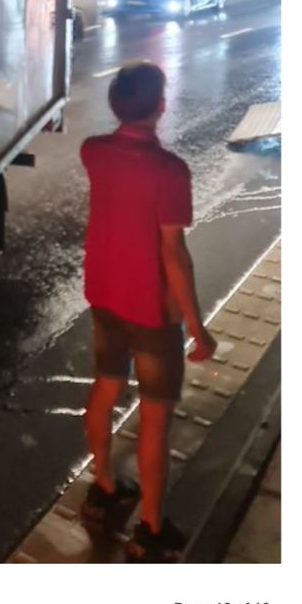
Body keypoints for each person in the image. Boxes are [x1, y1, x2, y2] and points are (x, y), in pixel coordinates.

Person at [79, 60, 217, 561]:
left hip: (104, 296)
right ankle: (151, 528)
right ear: (160, 106)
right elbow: (173, 254)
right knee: (155, 419)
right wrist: (197, 326)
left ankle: (104, 485)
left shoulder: (93, 151)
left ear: (117, 106)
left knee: (106, 386)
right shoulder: (169, 171)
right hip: (151, 312)